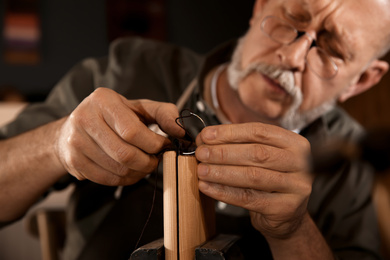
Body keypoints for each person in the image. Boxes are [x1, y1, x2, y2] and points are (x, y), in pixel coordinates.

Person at [1, 0, 390, 259]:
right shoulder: (125, 69)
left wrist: (292, 232)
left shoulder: (351, 156)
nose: (291, 57)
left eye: (332, 50)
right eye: (290, 20)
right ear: (259, 9)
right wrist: (56, 144)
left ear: (363, 80)